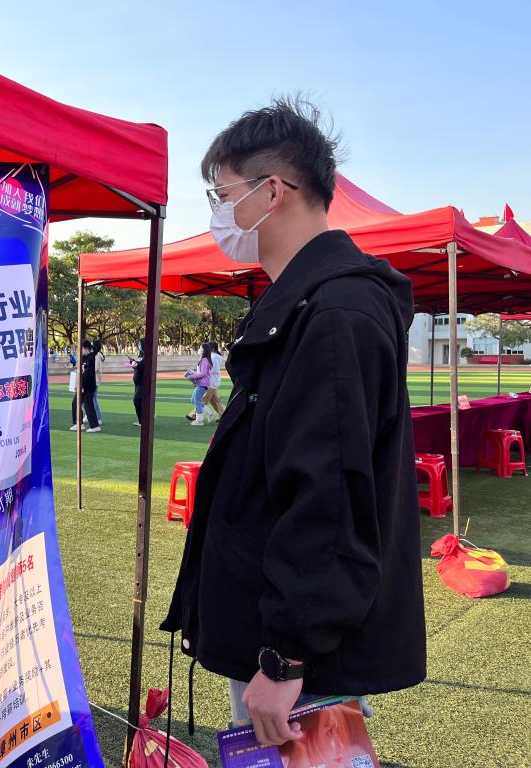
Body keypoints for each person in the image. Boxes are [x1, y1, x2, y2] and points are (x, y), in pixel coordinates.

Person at [162, 99, 425, 747]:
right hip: (277, 631)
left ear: (272, 192)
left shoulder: (334, 312)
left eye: (223, 194)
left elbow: (329, 498)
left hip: (301, 658)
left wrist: (287, 655)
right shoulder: (305, 303)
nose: (219, 212)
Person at [70, 339, 100, 432]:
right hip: (83, 385)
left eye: (82, 349)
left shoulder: (91, 358)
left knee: (88, 405)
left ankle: (94, 426)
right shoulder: (84, 357)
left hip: (88, 386)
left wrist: (81, 385)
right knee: (75, 403)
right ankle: (79, 423)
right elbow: (80, 370)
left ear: (86, 348)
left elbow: (88, 373)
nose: (81, 351)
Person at [183, 344, 213, 426]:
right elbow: (201, 373)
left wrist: (191, 376)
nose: (199, 349)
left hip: (203, 384)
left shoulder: (204, 360)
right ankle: (209, 412)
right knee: (194, 400)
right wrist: (192, 374)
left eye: (200, 348)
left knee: (196, 401)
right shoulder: (204, 360)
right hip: (202, 383)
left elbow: (203, 373)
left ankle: (200, 420)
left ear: (204, 350)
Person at [202, 341, 225, 418]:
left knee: (205, 399)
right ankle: (223, 415)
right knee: (215, 400)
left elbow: (213, 369)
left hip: (212, 381)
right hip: (213, 380)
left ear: (212, 349)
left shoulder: (213, 358)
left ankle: (194, 414)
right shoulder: (214, 357)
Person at [131, 338, 146, 426]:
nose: (139, 346)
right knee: (137, 401)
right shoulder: (141, 354)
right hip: (137, 382)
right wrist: (133, 362)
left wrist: (136, 365)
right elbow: (138, 363)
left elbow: (143, 365)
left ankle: (143, 420)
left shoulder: (147, 355)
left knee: (137, 400)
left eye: (140, 344)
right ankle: (141, 420)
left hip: (142, 382)